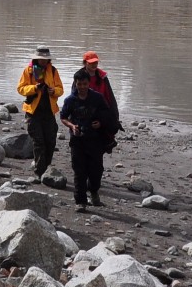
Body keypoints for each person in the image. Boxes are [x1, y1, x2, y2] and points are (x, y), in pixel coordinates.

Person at [62, 66, 120, 207]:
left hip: (95, 140)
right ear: (75, 84)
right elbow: (63, 117)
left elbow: (107, 114)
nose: (82, 87)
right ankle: (80, 202)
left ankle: (93, 191)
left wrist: (100, 123)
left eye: (85, 84)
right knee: (79, 172)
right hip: (77, 140)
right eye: (79, 84)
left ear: (89, 83)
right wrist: (71, 126)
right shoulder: (70, 100)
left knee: (96, 170)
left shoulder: (97, 98)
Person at [16, 46, 62, 180]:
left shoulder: (53, 71)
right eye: (41, 59)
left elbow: (60, 89)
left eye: (45, 59)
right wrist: (34, 88)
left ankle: (47, 168)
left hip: (49, 112)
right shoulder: (28, 71)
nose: (43, 62)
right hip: (33, 113)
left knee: (51, 141)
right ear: (36, 58)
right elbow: (21, 88)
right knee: (39, 142)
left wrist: (53, 91)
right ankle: (39, 172)